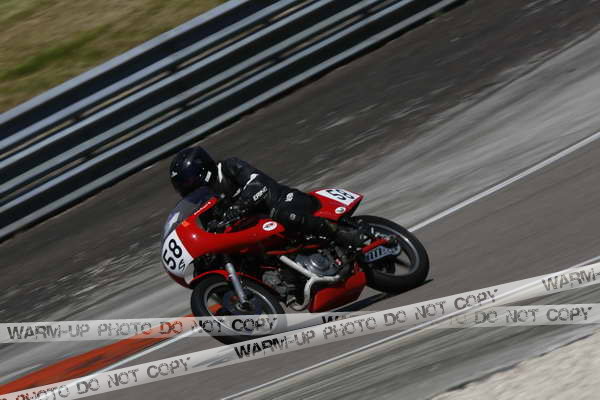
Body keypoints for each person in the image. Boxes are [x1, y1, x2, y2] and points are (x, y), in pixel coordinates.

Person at [169, 146, 369, 247]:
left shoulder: (229, 167)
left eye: (187, 181)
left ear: (201, 169)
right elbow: (209, 229)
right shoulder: (207, 201)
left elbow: (259, 183)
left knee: (281, 214)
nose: (187, 188)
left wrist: (239, 206)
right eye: (182, 185)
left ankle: (339, 233)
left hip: (285, 201)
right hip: (261, 228)